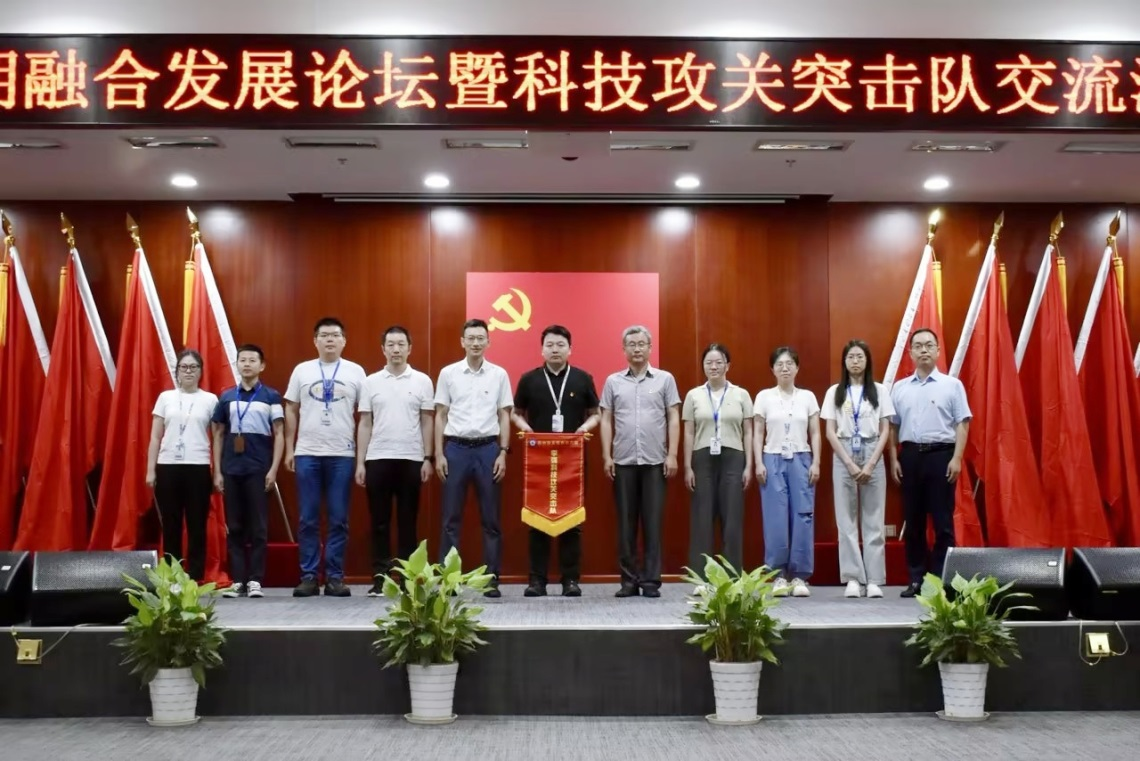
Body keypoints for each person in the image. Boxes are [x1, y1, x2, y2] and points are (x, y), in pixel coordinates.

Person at [511, 325, 601, 598]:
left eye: (560, 345)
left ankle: (570, 580)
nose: (555, 350)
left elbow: (596, 413)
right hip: (539, 460)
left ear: (570, 349)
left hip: (572, 460)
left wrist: (584, 429)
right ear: (542, 349)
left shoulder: (583, 378)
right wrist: (526, 429)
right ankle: (537, 581)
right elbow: (515, 413)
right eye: (549, 345)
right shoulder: (529, 379)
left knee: (572, 520)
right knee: (537, 519)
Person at [284, 317, 367, 598]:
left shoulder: (356, 372)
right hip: (307, 452)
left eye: (335, 335)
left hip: (342, 454)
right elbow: (291, 409)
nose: (329, 339)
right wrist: (289, 448)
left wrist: (361, 459)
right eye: (324, 335)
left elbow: (365, 415)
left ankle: (334, 577)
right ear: (315, 341)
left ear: (344, 341)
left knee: (338, 518)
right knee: (307, 518)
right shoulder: (302, 370)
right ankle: (308, 576)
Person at [888, 327, 972, 598]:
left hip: (941, 457)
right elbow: (892, 427)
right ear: (910, 352)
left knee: (943, 523)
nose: (923, 350)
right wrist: (894, 458)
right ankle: (916, 579)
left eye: (928, 345)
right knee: (913, 523)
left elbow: (962, 423)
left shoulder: (952, 385)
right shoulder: (900, 388)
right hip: (910, 457)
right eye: (918, 346)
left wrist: (957, 458)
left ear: (937, 350)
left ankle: (940, 581)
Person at [599, 326, 681, 599]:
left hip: (655, 461)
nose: (637, 348)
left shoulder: (665, 379)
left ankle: (651, 581)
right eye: (631, 344)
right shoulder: (613, 381)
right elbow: (606, 419)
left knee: (653, 524)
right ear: (624, 349)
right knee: (626, 525)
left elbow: (673, 417)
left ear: (650, 347)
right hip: (622, 460)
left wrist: (672, 454)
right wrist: (607, 455)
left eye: (641, 344)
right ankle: (629, 581)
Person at [435, 318, 513, 599]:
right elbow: (440, 415)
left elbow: (504, 415)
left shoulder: (499, 374)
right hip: (455, 449)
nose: (476, 343)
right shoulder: (448, 373)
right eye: (471, 338)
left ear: (488, 342)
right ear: (462, 341)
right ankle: (449, 581)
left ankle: (491, 580)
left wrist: (503, 452)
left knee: (491, 519)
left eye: (481, 338)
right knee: (450, 519)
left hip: (488, 449)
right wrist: (438, 453)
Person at [354, 326, 435, 597]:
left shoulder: (422, 381)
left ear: (410, 348)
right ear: (383, 349)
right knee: (379, 523)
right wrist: (360, 462)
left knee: (408, 523)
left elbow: (427, 421)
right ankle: (380, 580)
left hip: (411, 459)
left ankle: (408, 580)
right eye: (391, 344)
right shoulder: (371, 382)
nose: (396, 349)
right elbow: (365, 423)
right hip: (377, 458)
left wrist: (428, 458)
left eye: (401, 344)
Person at [821, 339, 893, 600]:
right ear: (844, 361)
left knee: (874, 519)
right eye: (850, 357)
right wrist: (849, 463)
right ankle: (853, 578)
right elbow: (830, 432)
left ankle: (874, 579)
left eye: (860, 357)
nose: (855, 361)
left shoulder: (880, 390)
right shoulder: (834, 392)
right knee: (846, 520)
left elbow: (885, 429)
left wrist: (872, 462)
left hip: (873, 450)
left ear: (867, 361)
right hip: (844, 453)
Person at [211, 344, 284, 599]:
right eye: (242, 360)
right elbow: (218, 434)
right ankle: (238, 580)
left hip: (258, 469)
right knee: (234, 526)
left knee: (259, 527)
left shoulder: (271, 396)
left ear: (261, 365)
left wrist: (273, 469)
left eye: (252, 360)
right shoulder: (226, 397)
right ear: (237, 364)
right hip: (231, 469)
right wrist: (218, 471)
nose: (247, 364)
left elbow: (279, 433)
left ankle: (255, 580)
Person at [145, 349, 219, 581]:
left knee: (197, 524)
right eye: (183, 367)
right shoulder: (165, 397)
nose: (188, 371)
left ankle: (195, 575)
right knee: (171, 523)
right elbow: (155, 437)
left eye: (193, 367)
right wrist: (150, 470)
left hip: (198, 466)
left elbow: (218, 438)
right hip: (168, 466)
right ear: (177, 371)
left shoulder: (210, 399)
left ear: (200, 371)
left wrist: (217, 472)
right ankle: (172, 574)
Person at [754, 346, 820, 598]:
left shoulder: (808, 397)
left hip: (801, 457)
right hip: (772, 458)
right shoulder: (764, 397)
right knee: (775, 518)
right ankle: (778, 575)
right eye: (780, 364)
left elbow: (815, 432)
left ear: (797, 368)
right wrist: (758, 462)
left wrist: (816, 462)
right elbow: (757, 432)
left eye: (789, 363)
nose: (785, 368)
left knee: (803, 516)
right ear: (772, 369)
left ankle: (800, 576)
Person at [683, 343, 753, 575]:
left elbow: (749, 432)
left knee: (732, 518)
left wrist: (749, 465)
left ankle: (732, 577)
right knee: (702, 518)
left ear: (727, 365)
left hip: (733, 457)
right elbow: (689, 432)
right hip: (702, 458)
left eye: (718, 362)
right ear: (703, 366)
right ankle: (700, 577)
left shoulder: (741, 394)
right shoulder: (693, 395)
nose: (713, 367)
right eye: (708, 363)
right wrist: (687, 466)